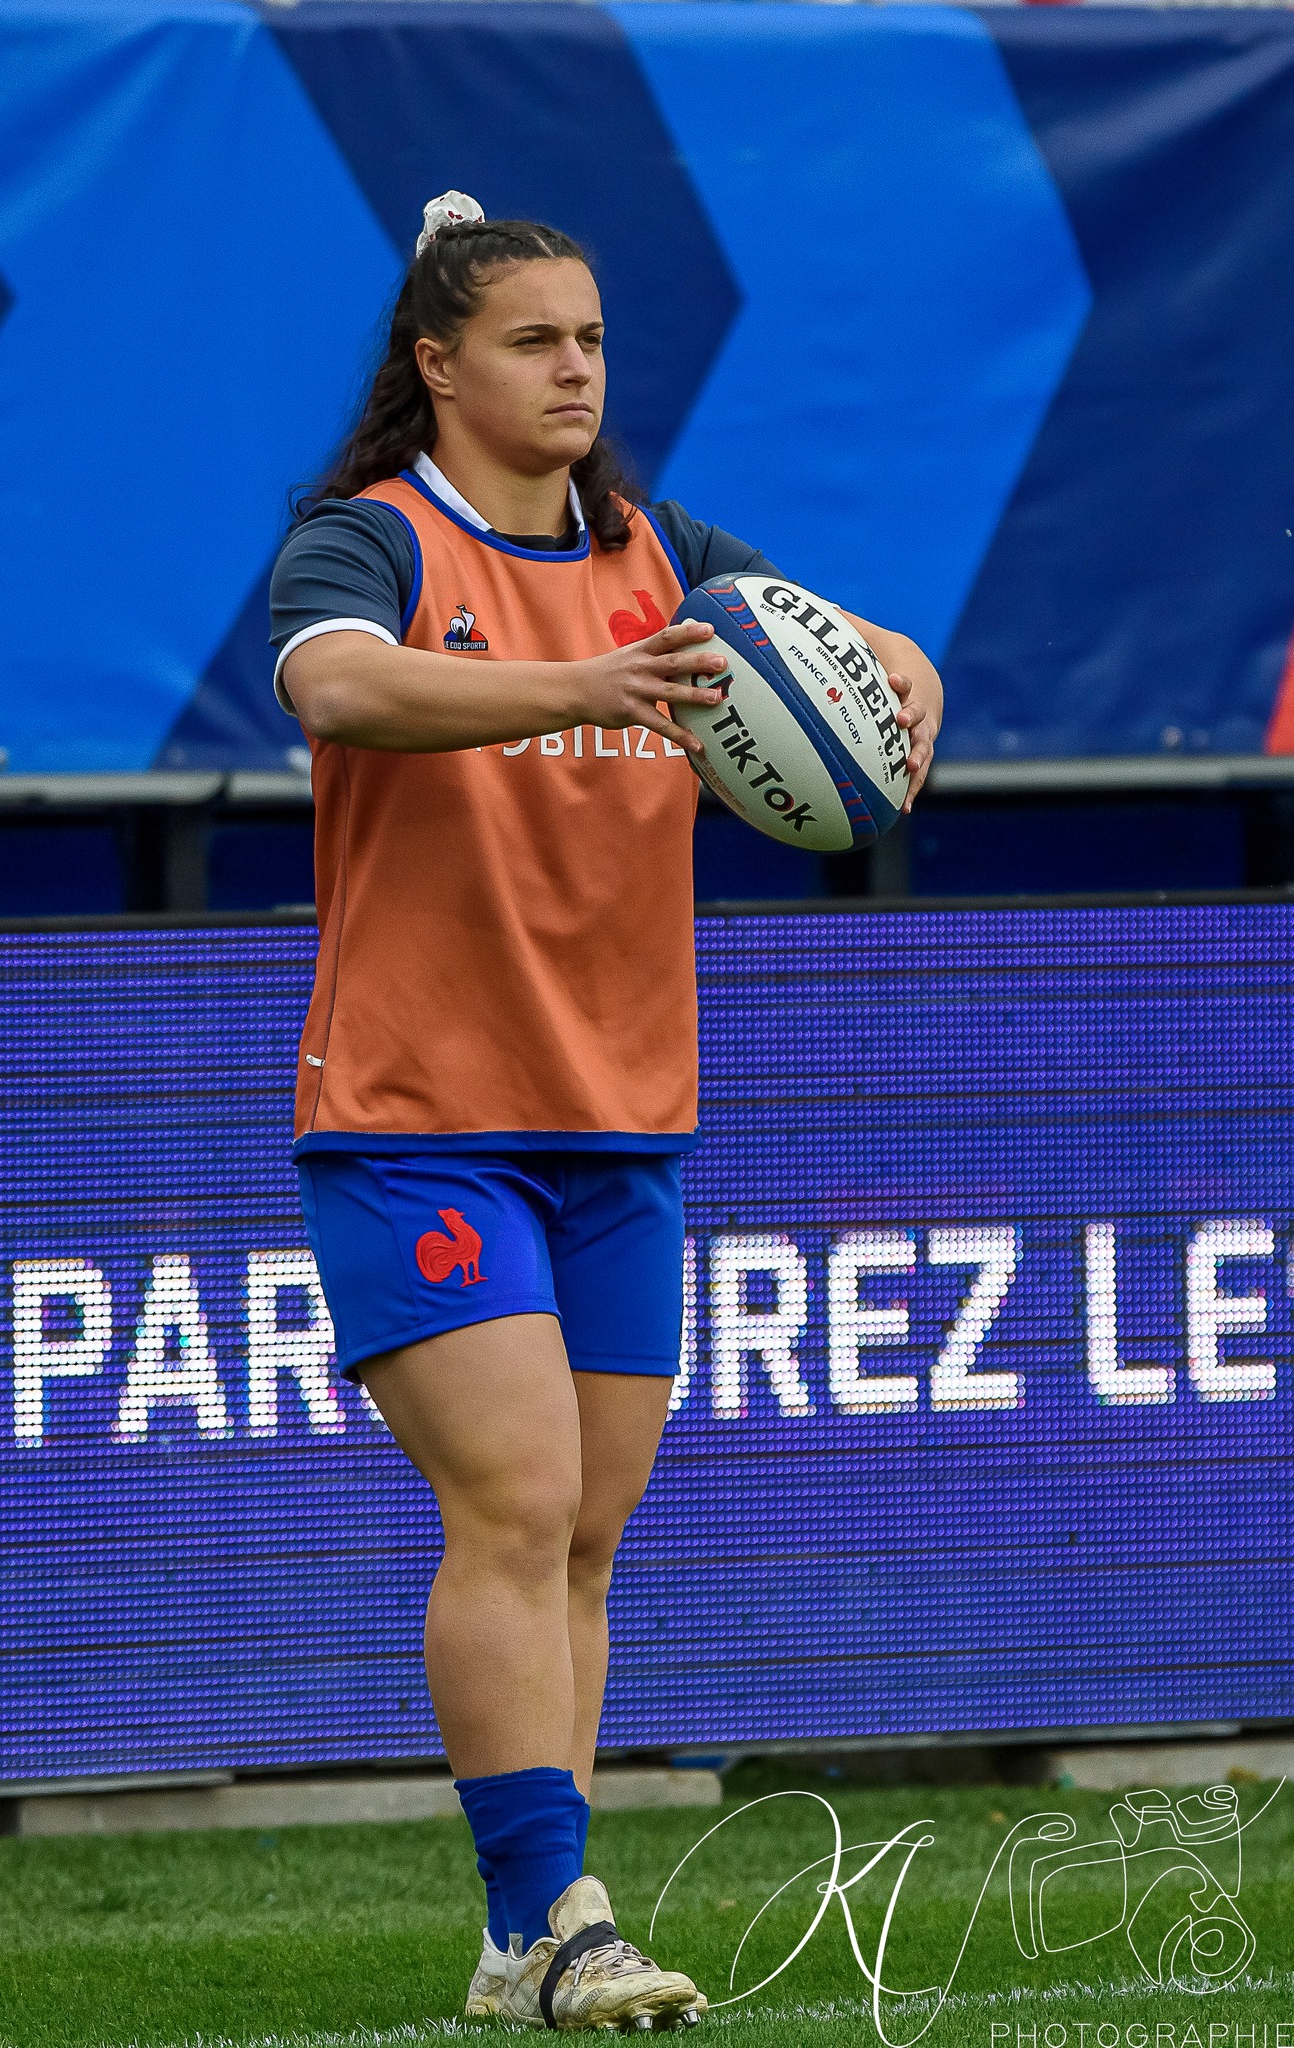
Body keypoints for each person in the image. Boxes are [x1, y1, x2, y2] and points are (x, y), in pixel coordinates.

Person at [269, 190, 943, 2032]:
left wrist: (892, 706)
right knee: (515, 1501)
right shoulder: (372, 536)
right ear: (438, 365)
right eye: (531, 342)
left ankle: (520, 1941)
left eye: (589, 340)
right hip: (420, 1115)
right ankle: (561, 1920)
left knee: (581, 1540)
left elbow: (876, 658)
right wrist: (587, 681)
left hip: (622, 1121)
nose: (575, 371)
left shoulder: (666, 552)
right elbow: (340, 688)